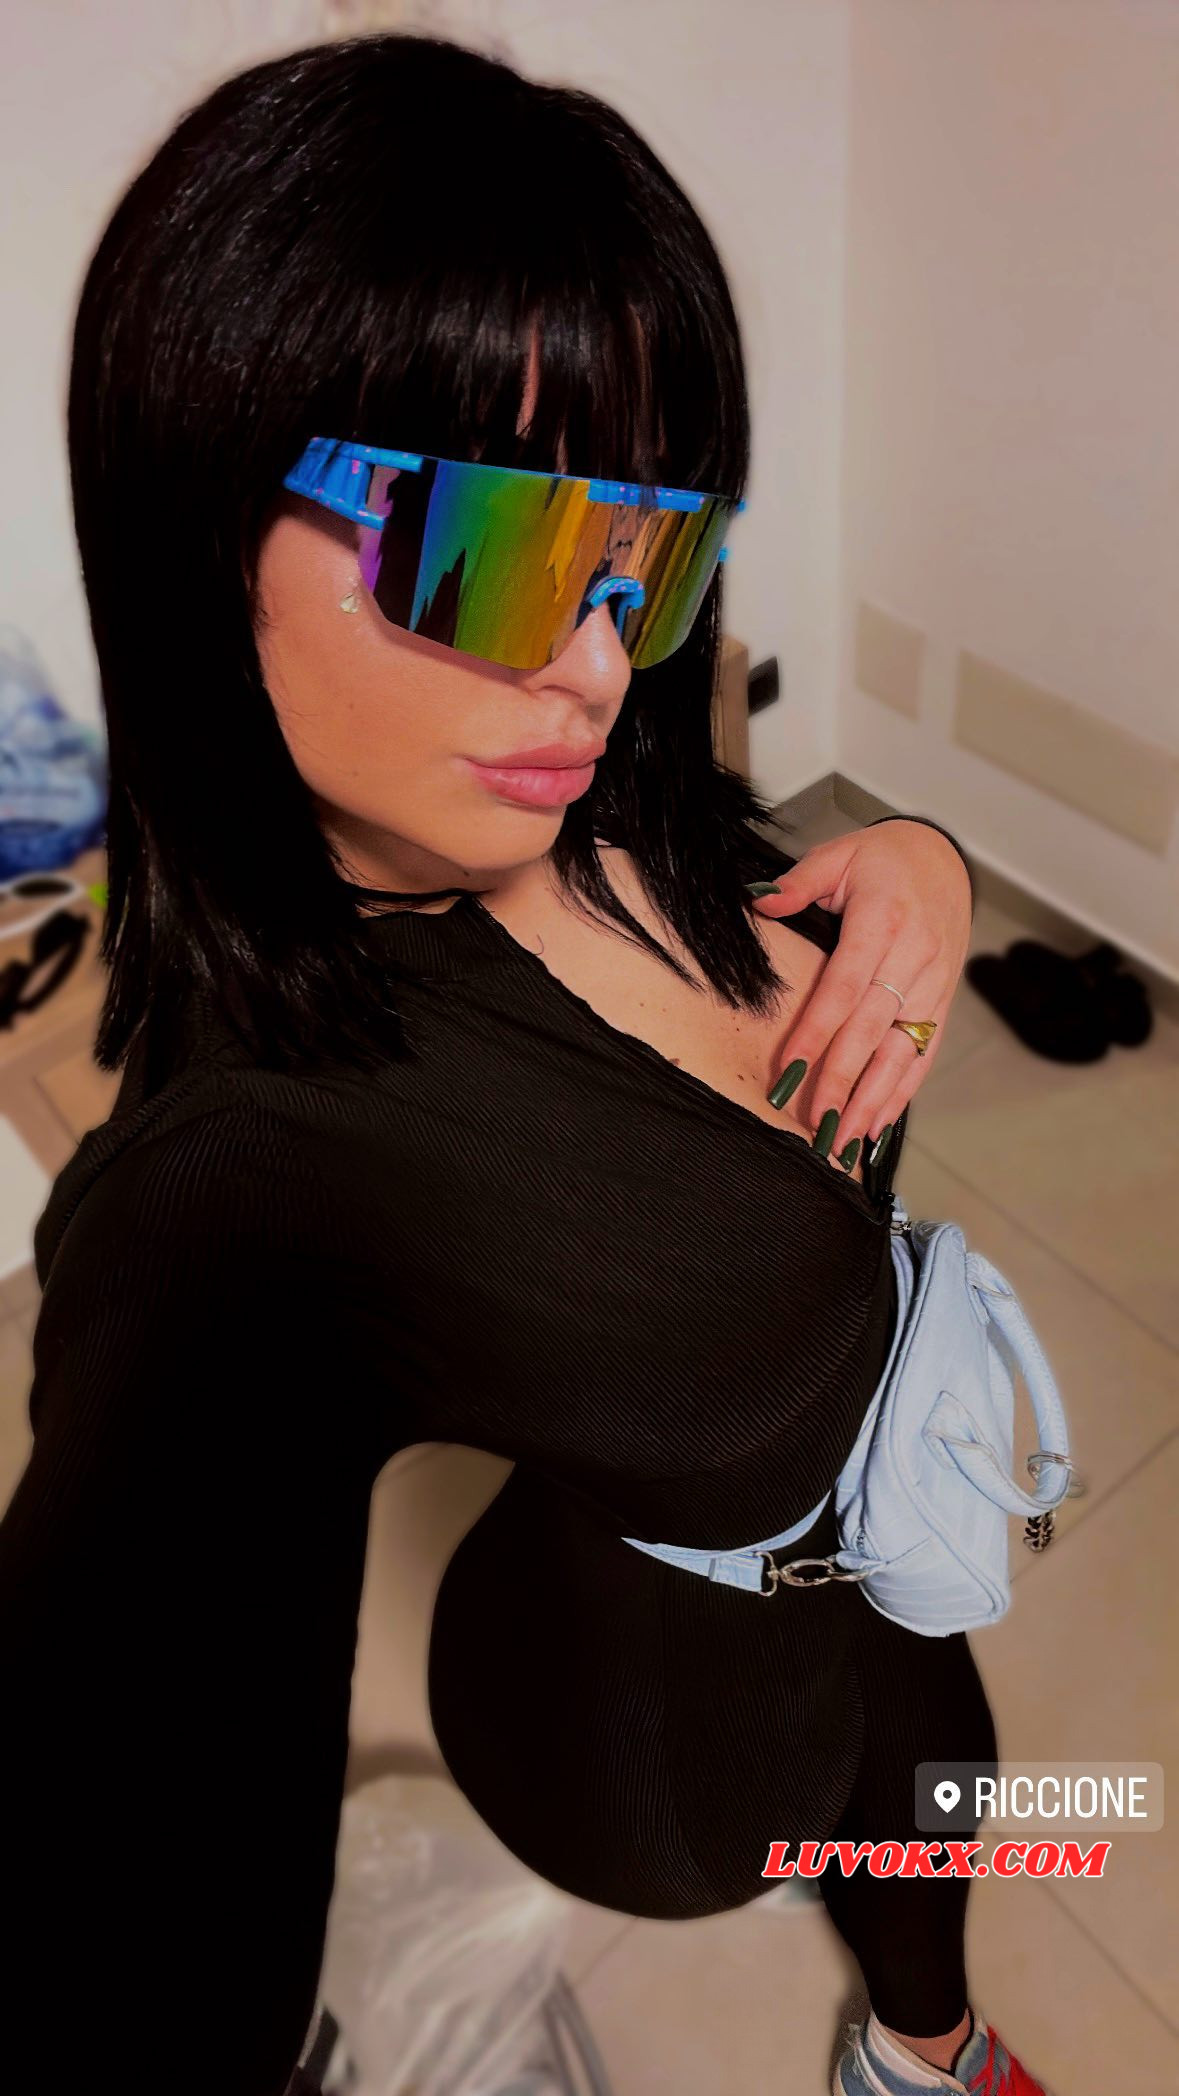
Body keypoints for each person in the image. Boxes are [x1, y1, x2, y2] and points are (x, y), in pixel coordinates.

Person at [0, 32, 1047, 2096]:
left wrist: (917, 863)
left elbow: (765, 888)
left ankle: (925, 2046)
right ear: (201, 522)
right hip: (656, 1748)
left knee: (957, 1840)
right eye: (488, 547)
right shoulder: (250, 1174)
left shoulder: (608, 790)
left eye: (646, 561)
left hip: (891, 1594)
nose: (587, 665)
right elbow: (109, 1846)